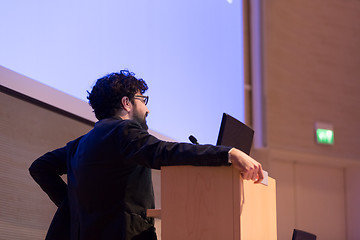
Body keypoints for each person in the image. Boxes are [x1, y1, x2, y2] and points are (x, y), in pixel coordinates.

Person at [29, 69, 264, 240]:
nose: (148, 108)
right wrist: (228, 153)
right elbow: (164, 152)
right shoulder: (123, 131)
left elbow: (40, 167)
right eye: (143, 99)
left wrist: (72, 206)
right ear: (127, 103)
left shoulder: (79, 144)